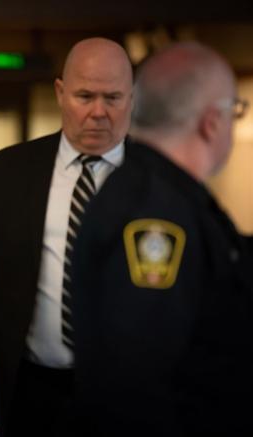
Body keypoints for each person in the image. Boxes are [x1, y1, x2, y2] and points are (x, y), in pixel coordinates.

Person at [72, 42, 253, 435]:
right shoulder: (155, 213)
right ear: (211, 121)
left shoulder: (167, 196)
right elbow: (137, 377)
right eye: (236, 111)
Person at [0, 37, 133, 436]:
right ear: (60, 92)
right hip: (29, 392)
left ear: (132, 97)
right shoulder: (8, 171)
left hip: (126, 397)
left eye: (113, 97)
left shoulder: (159, 181)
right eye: (85, 95)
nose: (98, 112)